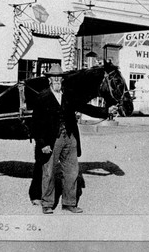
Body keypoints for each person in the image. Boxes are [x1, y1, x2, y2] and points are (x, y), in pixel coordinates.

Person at [31, 64, 118, 214]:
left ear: (63, 79)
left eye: (60, 77)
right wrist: (43, 144)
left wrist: (106, 111)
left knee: (72, 171)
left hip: (70, 138)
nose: (57, 80)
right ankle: (47, 203)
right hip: (52, 140)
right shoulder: (42, 97)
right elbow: (36, 124)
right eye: (54, 77)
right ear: (49, 80)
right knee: (48, 172)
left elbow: (86, 108)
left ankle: (69, 203)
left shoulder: (69, 94)